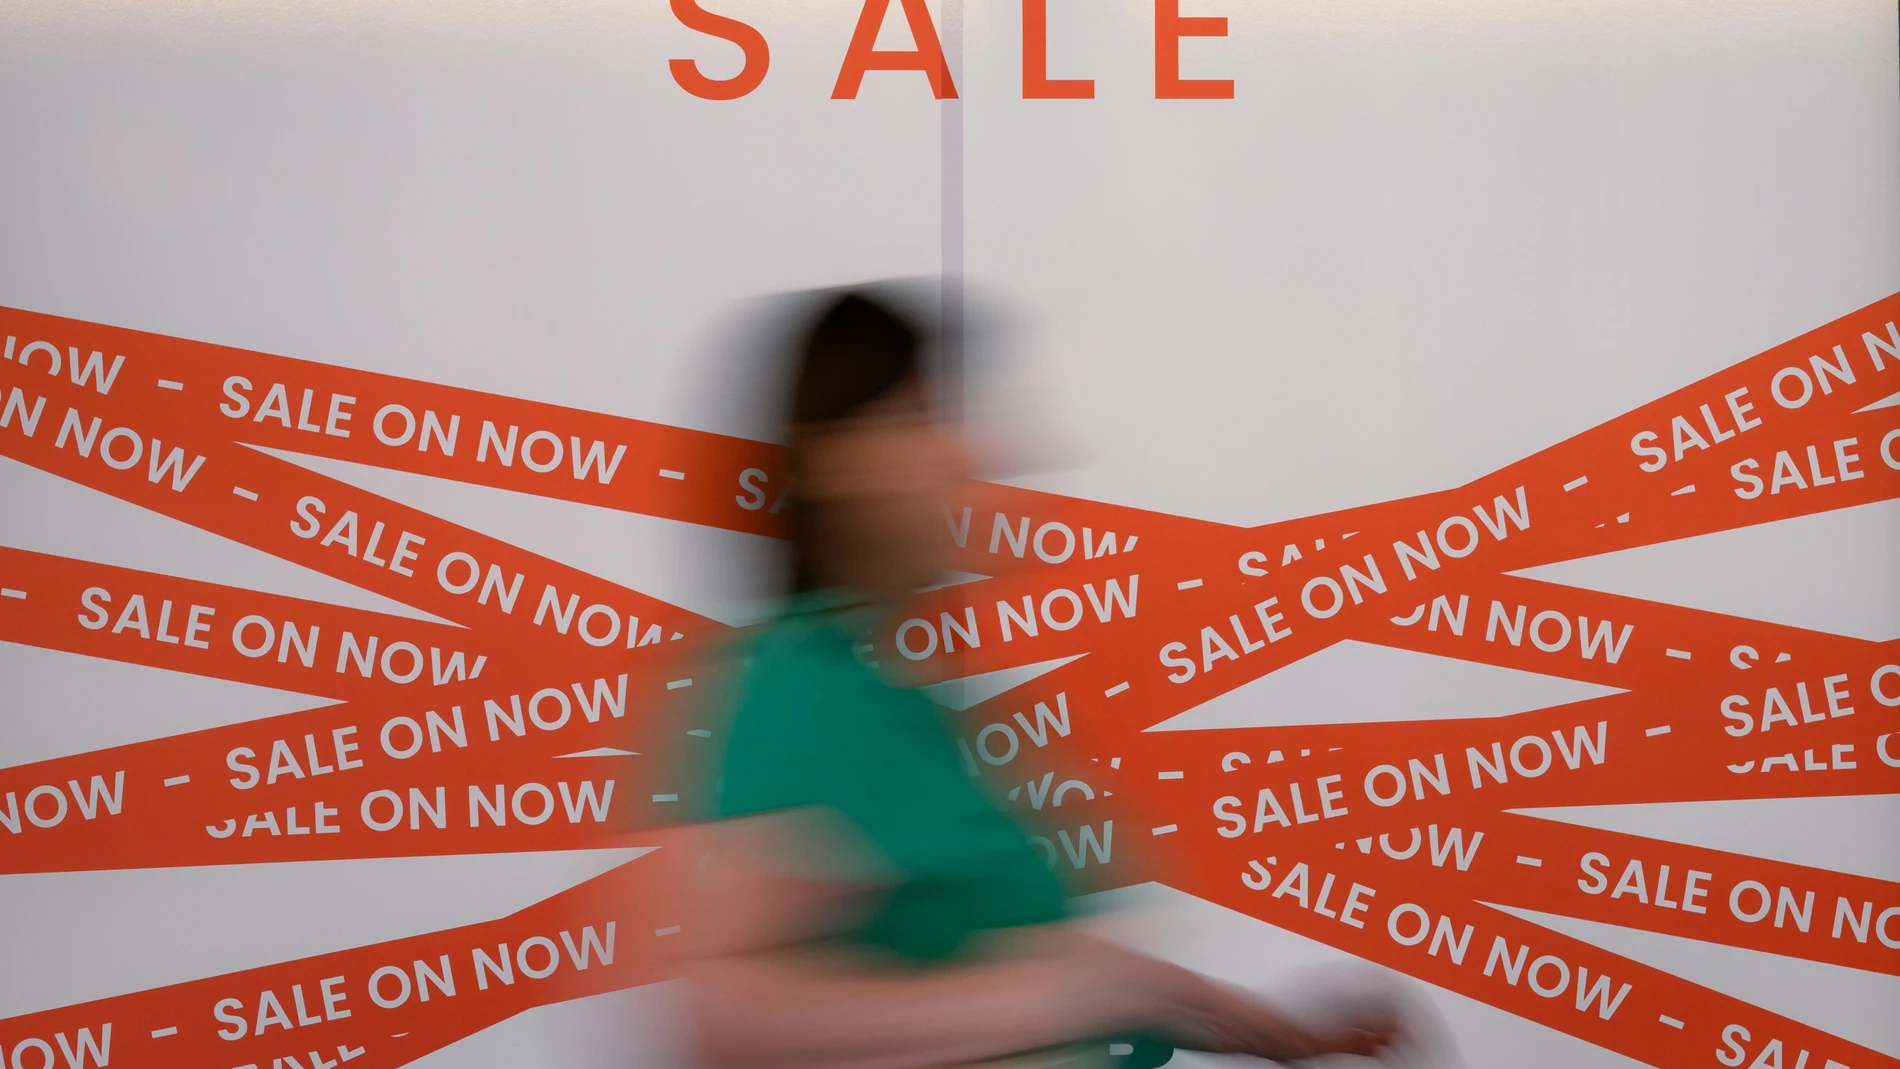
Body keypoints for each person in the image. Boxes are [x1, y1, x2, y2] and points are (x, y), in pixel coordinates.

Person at [678, 288, 1407, 1069]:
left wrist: (1288, 1035)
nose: (964, 456)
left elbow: (1083, 974)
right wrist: (1054, 997)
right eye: (918, 418)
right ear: (833, 461)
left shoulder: (897, 700)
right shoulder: (797, 693)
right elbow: (730, 1015)